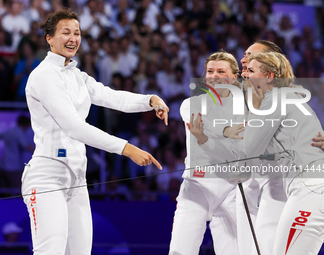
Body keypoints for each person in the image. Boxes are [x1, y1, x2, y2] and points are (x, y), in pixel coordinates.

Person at [21, 9, 169, 255]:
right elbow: (74, 127)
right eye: (65, 32)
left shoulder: (78, 76)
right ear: (49, 38)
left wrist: (150, 100)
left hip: (77, 178)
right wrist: (127, 148)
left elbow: (113, 97)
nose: (73, 38)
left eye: (77, 33)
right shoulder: (43, 76)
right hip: (47, 175)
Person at [244, 51, 324, 255]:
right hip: (321, 193)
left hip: (310, 192)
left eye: (251, 71)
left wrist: (255, 111)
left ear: (269, 76)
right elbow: (318, 141)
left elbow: (248, 149)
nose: (246, 75)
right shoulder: (295, 99)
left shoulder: (273, 100)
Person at [169, 51, 246, 255]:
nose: (214, 75)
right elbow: (204, 124)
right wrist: (226, 131)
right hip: (196, 186)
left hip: (232, 188)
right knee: (180, 250)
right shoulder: (191, 104)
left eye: (221, 71)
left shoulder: (247, 108)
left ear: (234, 77)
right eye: (210, 71)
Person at [0, 115, 34, 188]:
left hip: (3, 165)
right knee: (18, 190)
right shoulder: (19, 132)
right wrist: (41, 153)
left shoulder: (10, 131)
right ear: (25, 125)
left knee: (7, 190)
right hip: (13, 167)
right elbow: (27, 146)